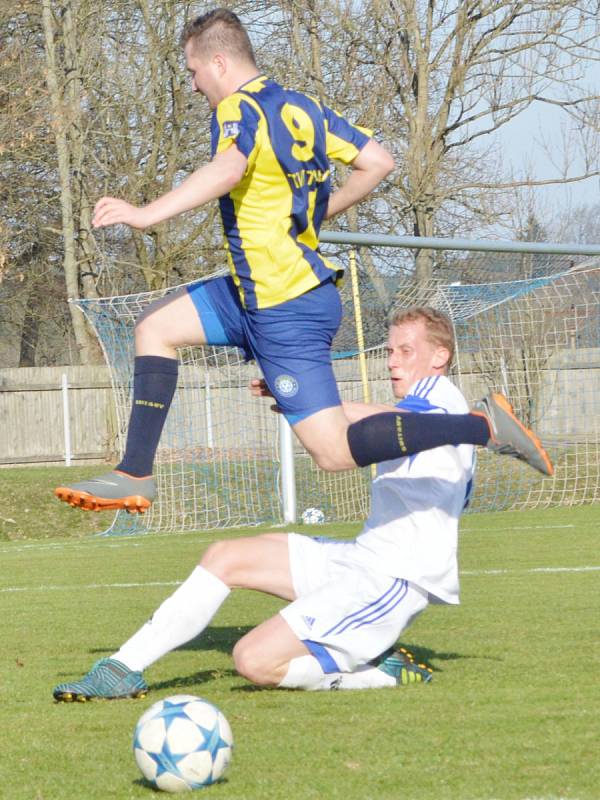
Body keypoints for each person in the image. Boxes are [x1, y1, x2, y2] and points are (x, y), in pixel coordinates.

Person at [55, 9, 552, 515]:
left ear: (220, 62)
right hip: (254, 291)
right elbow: (378, 160)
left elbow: (229, 168)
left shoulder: (236, 107)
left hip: (283, 304)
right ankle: (135, 471)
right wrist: (319, 209)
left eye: (193, 71)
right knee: (154, 326)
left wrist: (145, 214)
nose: (194, 83)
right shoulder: (303, 107)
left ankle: (482, 425)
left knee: (333, 451)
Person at [55, 306, 483, 700]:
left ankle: (376, 672)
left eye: (405, 350)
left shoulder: (444, 400)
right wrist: (301, 403)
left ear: (439, 356)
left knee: (254, 661)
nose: (392, 361)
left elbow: (401, 423)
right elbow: (387, 420)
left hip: (393, 580)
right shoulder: (422, 405)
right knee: (225, 557)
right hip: (361, 559)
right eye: (390, 350)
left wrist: (310, 403)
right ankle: (121, 669)